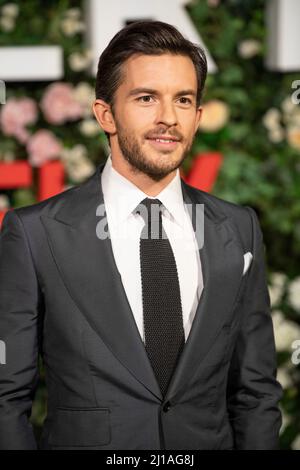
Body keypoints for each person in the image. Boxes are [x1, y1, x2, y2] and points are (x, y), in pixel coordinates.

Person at [0, 20, 283, 450]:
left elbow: (256, 392)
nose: (168, 118)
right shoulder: (37, 234)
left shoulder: (238, 229)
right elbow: (6, 399)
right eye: (146, 98)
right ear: (105, 114)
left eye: (183, 100)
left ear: (199, 116)